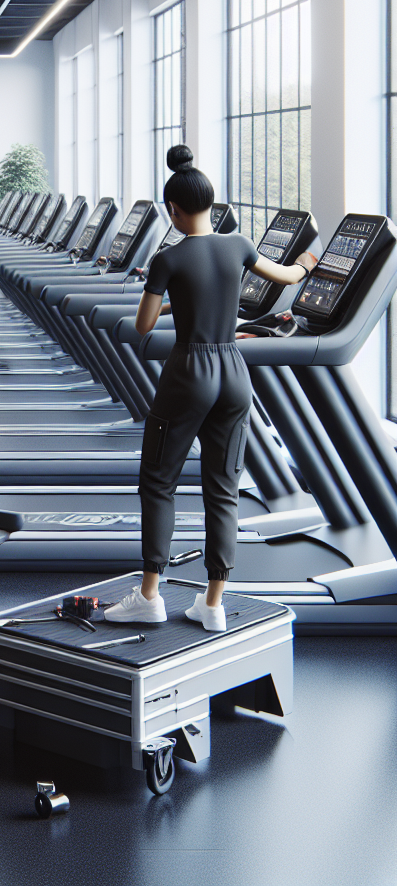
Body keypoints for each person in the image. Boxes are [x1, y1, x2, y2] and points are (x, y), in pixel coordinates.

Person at [104, 146, 318, 631]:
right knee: (223, 488)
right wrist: (306, 264)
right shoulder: (238, 245)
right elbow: (285, 277)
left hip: (189, 372)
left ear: (173, 212)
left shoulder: (168, 258)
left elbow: (141, 326)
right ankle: (213, 603)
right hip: (233, 372)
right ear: (211, 203)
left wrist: (168, 299)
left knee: (158, 481)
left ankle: (150, 595)